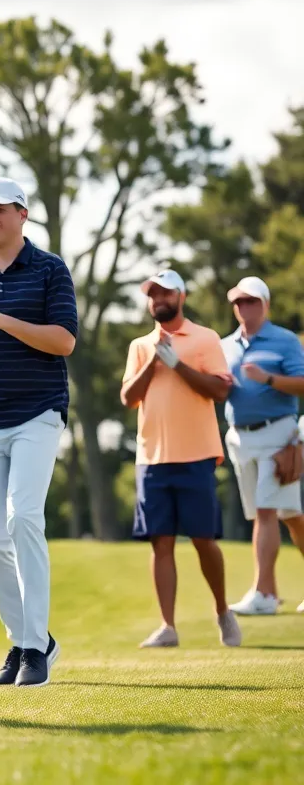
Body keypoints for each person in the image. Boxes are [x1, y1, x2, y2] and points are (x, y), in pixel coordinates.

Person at [0, 177, 77, 687]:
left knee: (23, 517)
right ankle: (29, 640)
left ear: (22, 214)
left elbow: (64, 341)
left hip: (37, 413)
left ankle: (33, 649)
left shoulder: (50, 270)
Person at [119, 269, 242, 648]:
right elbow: (128, 398)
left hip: (197, 454)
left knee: (204, 539)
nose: (158, 300)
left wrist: (176, 364)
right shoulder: (141, 345)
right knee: (162, 542)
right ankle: (168, 627)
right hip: (152, 457)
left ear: (181, 297)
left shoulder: (204, 338)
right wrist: (154, 364)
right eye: (153, 294)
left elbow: (219, 391)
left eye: (165, 294)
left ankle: (223, 610)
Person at [219, 276, 304, 615]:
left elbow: (301, 383)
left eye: (251, 301)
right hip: (239, 436)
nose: (244, 307)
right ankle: (266, 591)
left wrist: (267, 378)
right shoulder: (225, 345)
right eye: (238, 302)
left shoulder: (284, 340)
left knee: (266, 513)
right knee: (289, 516)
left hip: (277, 434)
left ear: (265, 304)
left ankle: (264, 595)